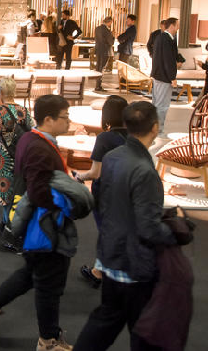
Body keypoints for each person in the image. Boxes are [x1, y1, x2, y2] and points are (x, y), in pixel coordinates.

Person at [0, 94, 76, 350]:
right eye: (65, 117)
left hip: (36, 224)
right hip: (45, 226)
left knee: (31, 274)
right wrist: (68, 196)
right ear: (48, 119)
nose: (69, 122)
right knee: (48, 284)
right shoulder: (39, 147)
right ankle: (48, 340)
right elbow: (39, 191)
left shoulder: (31, 139)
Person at [73, 102, 180, 351]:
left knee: (105, 322)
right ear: (155, 127)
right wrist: (175, 231)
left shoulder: (113, 157)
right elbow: (148, 228)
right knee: (144, 332)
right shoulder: (144, 170)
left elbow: (111, 204)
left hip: (111, 255)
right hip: (134, 264)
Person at [75, 95, 129, 289]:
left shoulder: (104, 138)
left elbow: (95, 172)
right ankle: (103, 269)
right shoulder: (133, 137)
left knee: (107, 230)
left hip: (106, 192)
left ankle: (99, 272)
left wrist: (80, 177)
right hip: (128, 190)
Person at [0, 77, 34, 230]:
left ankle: (7, 224)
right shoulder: (23, 110)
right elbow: (33, 131)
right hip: (22, 157)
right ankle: (15, 224)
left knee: (6, 192)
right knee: (18, 190)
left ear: (0, 91)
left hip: (5, 158)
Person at [150, 17, 182, 137]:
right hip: (163, 77)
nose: (178, 27)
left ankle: (153, 129)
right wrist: (172, 77)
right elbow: (168, 60)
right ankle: (158, 131)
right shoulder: (166, 39)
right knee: (162, 105)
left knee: (156, 104)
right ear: (172, 26)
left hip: (158, 75)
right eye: (177, 25)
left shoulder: (161, 37)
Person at [94, 16, 114, 92]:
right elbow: (111, 42)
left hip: (98, 50)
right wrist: (113, 36)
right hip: (105, 51)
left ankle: (97, 85)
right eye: (111, 23)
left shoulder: (97, 28)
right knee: (101, 68)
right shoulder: (107, 30)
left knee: (98, 67)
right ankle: (98, 86)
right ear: (109, 22)